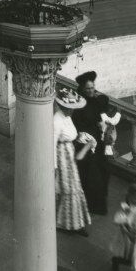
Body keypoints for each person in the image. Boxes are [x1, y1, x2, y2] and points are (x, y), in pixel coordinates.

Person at [74, 70, 120, 216]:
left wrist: (96, 95)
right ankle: (92, 205)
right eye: (88, 89)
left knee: (103, 170)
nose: (91, 91)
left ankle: (95, 202)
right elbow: (77, 125)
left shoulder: (96, 100)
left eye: (93, 88)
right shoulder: (78, 103)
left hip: (98, 142)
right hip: (85, 143)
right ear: (81, 89)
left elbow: (104, 103)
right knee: (92, 175)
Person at [54, 86, 93, 233]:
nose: (73, 110)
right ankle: (69, 224)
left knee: (73, 187)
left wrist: (81, 137)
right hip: (62, 156)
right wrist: (54, 165)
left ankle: (74, 222)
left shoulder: (67, 117)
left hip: (68, 152)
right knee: (68, 188)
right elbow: (52, 142)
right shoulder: (57, 120)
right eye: (70, 107)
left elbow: (70, 134)